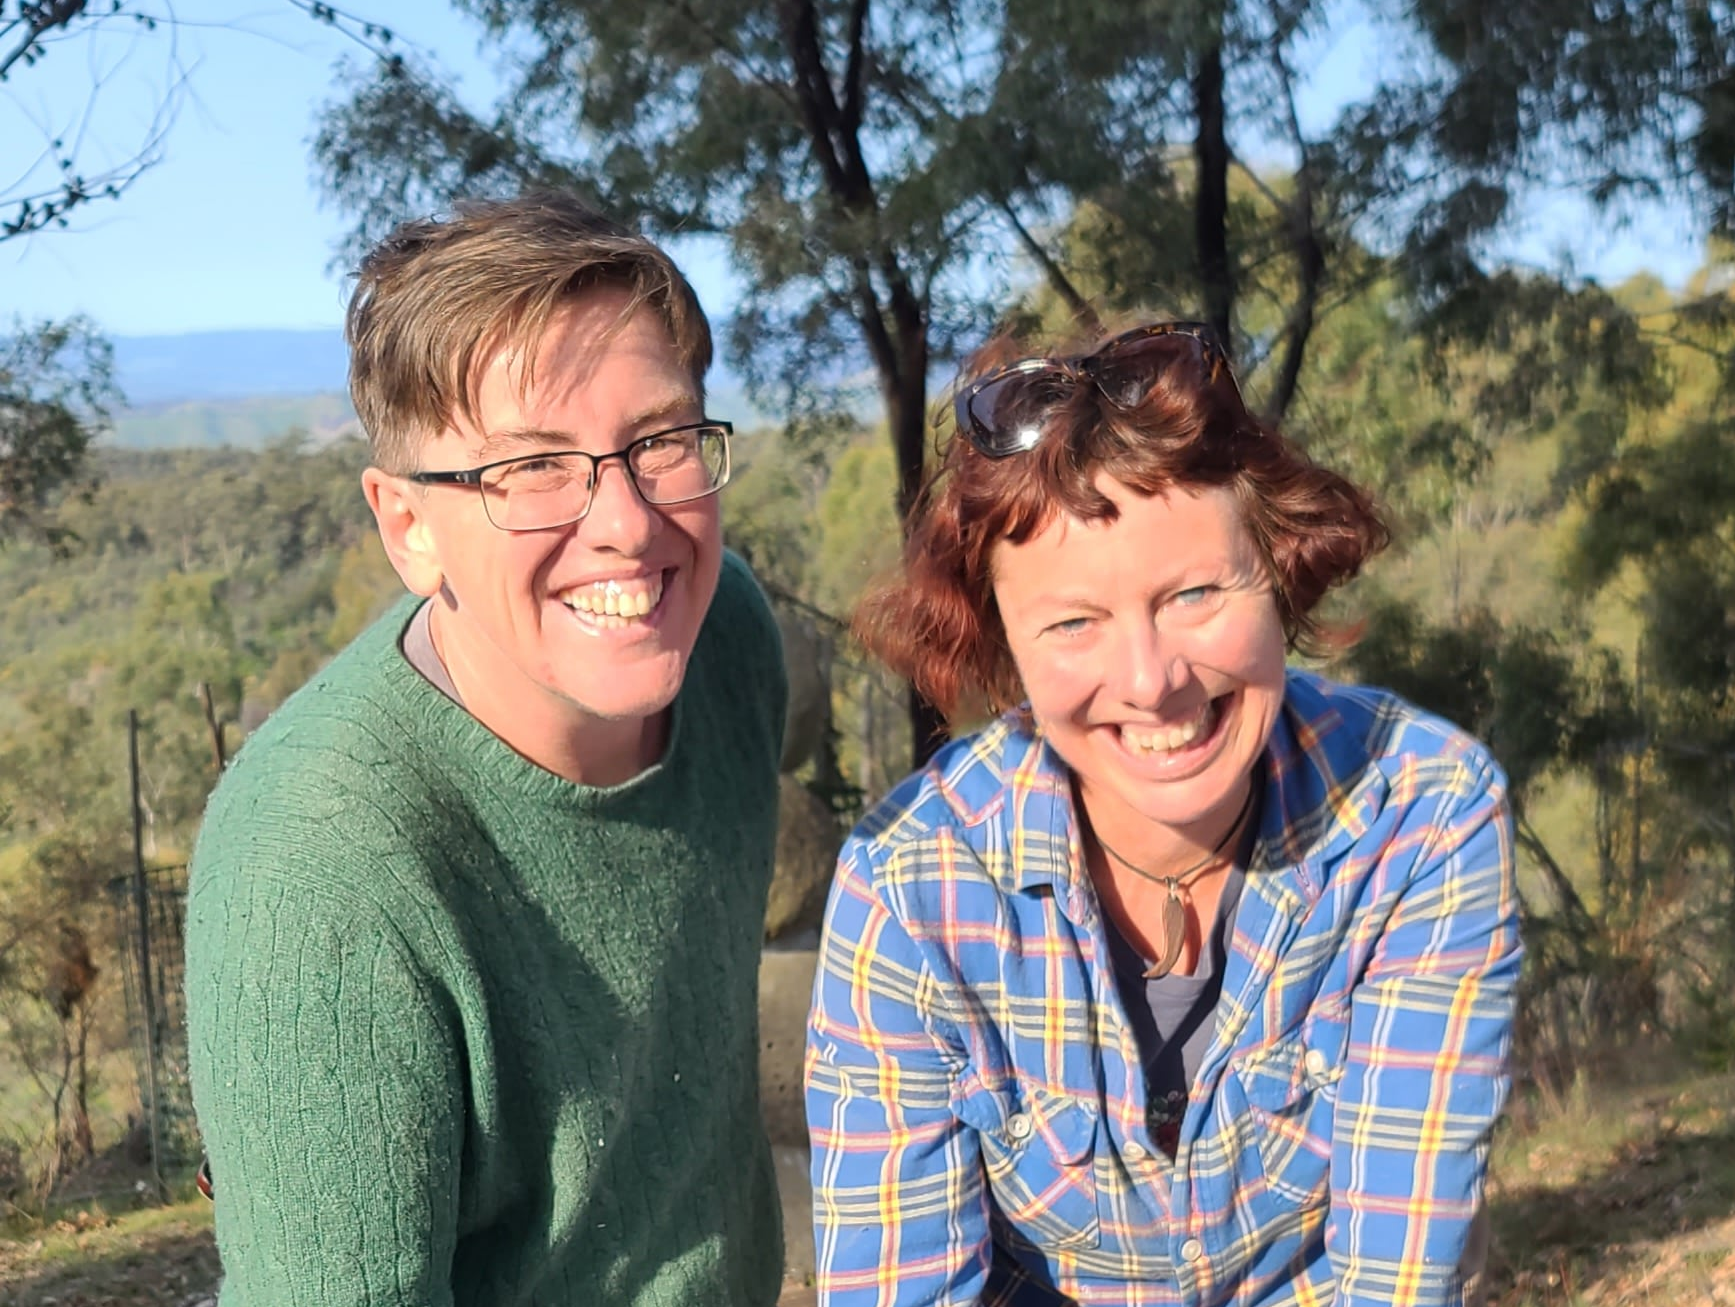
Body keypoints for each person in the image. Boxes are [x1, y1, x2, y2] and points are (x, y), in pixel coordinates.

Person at [805, 320, 1520, 1306]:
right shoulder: (909, 887)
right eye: (1071, 621)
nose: (1150, 682)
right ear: (1004, 648)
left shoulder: (1421, 813)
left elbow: (1392, 1272)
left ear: (1279, 570)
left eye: (1193, 594)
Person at [185, 192, 788, 1306]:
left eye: (657, 440)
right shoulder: (320, 873)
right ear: (408, 526)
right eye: (533, 467)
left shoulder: (726, 640)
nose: (625, 523)